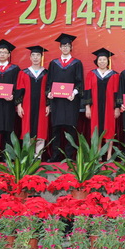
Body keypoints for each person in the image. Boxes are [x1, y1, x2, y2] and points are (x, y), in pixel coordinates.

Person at [46, 33, 84, 162]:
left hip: (70, 101)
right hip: (57, 101)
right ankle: (55, 155)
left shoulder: (76, 63)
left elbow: (80, 82)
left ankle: (69, 156)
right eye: (63, 46)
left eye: (68, 46)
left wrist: (74, 93)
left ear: (71, 47)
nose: (65, 48)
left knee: (70, 128)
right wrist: (49, 93)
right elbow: (49, 81)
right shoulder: (54, 63)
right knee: (56, 128)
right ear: (60, 48)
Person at [83, 48, 120, 159]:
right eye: (100, 59)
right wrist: (87, 107)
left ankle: (109, 155)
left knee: (109, 129)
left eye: (104, 59)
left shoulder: (114, 75)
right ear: (97, 61)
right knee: (96, 129)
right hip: (95, 107)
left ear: (108, 61)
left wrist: (117, 108)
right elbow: (87, 91)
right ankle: (98, 154)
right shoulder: (91, 74)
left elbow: (117, 93)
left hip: (109, 107)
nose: (102, 62)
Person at [16, 46, 50, 156]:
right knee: (27, 128)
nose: (35, 58)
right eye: (33, 55)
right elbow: (19, 90)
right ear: (30, 57)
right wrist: (19, 105)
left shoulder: (46, 73)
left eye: (38, 55)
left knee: (41, 128)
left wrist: (48, 105)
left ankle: (38, 155)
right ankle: (27, 154)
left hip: (42, 105)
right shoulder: (23, 73)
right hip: (27, 105)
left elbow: (49, 90)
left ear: (41, 57)